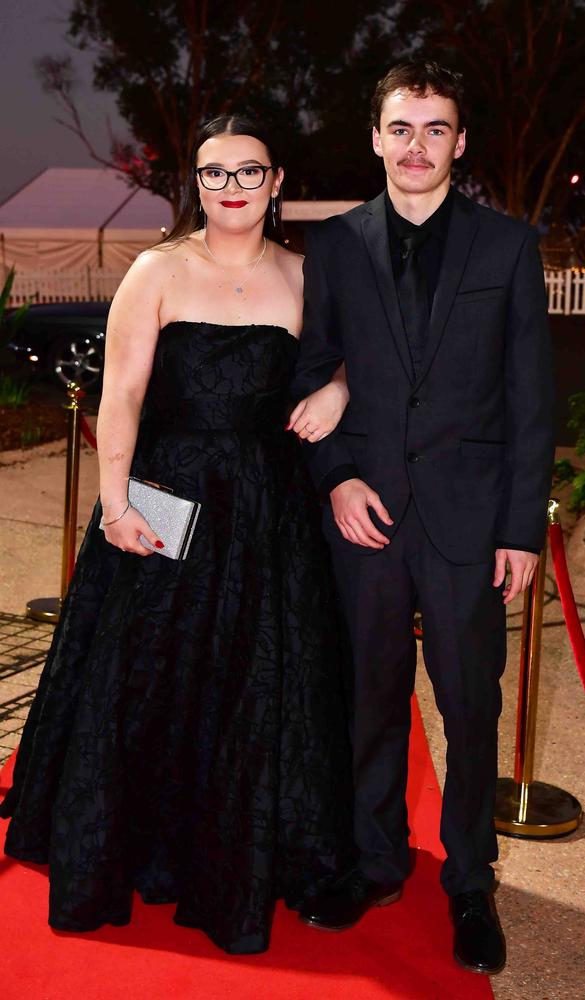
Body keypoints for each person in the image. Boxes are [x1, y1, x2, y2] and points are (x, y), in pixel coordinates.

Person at [0, 114, 355, 955]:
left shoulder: (309, 278)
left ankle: (232, 853)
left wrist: (339, 388)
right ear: (193, 184)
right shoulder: (156, 270)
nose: (230, 187)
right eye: (212, 173)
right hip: (162, 494)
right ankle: (137, 849)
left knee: (252, 681)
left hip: (267, 510)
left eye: (247, 172)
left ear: (277, 183)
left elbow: (344, 362)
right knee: (145, 671)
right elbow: (119, 395)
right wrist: (115, 505)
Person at [291, 61, 554, 975]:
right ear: (374, 137)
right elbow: (310, 368)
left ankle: (471, 882)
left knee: (471, 704)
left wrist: (522, 527)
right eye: (401, 128)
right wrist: (334, 478)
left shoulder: (509, 247)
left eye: (435, 128)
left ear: (460, 142)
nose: (416, 146)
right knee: (367, 697)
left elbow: (530, 396)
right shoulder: (333, 246)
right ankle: (376, 859)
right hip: (365, 513)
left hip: (471, 522)